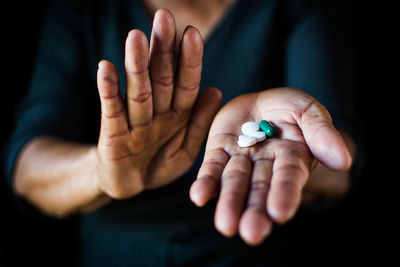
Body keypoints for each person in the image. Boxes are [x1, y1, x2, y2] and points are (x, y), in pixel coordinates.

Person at [4, 0, 359, 265]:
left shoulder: (298, 7)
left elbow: (339, 167)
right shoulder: (81, 10)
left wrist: (300, 146)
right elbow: (27, 167)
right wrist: (101, 172)